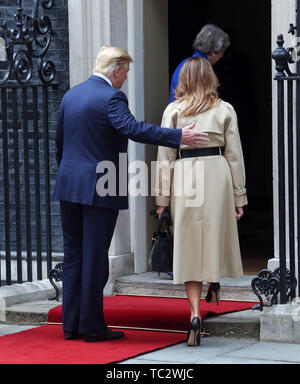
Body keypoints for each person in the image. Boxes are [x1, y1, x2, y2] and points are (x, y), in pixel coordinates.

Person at [52, 46, 210, 343]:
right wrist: (179, 136)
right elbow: (133, 129)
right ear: (115, 70)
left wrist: (70, 176)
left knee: (74, 255)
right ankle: (92, 327)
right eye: (125, 72)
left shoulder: (71, 94)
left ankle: (70, 325)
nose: (125, 78)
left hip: (69, 185)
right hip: (99, 187)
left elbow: (59, 141)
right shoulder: (112, 96)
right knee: (95, 256)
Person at [155, 57, 247, 346]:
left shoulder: (173, 111)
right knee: (214, 234)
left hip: (185, 174)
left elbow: (165, 158)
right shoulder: (225, 110)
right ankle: (214, 283)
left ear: (183, 81)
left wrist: (161, 198)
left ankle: (194, 314)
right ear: (211, 79)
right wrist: (239, 196)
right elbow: (234, 156)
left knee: (189, 244)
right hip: (217, 172)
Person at [169, 24, 230, 103]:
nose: (222, 55)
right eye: (222, 51)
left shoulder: (183, 64)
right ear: (213, 52)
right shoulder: (203, 69)